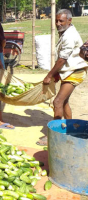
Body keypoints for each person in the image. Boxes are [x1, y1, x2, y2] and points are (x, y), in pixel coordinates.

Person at [37, 9, 88, 146]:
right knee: (64, 102)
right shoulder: (65, 32)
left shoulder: (69, 36)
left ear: (69, 21)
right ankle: (70, 131)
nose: (58, 23)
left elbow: (62, 59)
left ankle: (56, 136)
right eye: (57, 20)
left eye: (61, 21)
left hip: (75, 72)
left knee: (57, 102)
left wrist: (50, 75)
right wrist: (59, 73)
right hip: (70, 70)